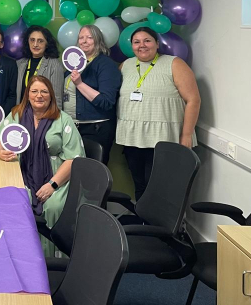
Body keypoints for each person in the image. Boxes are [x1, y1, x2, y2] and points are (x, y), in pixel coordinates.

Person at [0, 75, 84, 256]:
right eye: (34, 91)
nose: (39, 96)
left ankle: (53, 257)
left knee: (53, 206)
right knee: (16, 202)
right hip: (22, 173)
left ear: (51, 95)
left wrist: (52, 185)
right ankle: (21, 255)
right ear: (28, 94)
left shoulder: (63, 119)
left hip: (57, 176)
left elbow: (73, 159)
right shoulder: (16, 114)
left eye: (44, 91)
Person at [116, 26, 201, 200]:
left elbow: (194, 100)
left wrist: (186, 135)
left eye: (147, 40)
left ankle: (160, 226)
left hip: (164, 138)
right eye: (136, 42)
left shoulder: (174, 63)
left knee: (160, 188)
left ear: (156, 43)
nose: (142, 45)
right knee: (140, 186)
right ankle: (144, 224)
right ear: (131, 45)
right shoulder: (126, 65)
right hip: (132, 139)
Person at [63, 24, 121, 165]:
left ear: (98, 40)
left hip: (96, 129)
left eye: (89, 37)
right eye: (81, 37)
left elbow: (106, 101)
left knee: (92, 175)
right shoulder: (73, 65)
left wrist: (80, 84)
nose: (84, 41)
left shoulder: (106, 65)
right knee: (74, 172)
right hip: (74, 127)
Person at [15, 25, 65, 109]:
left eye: (40, 41)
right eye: (32, 40)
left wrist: (54, 121)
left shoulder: (54, 65)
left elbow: (57, 99)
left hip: (43, 116)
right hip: (21, 114)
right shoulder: (19, 64)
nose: (35, 44)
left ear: (47, 44)